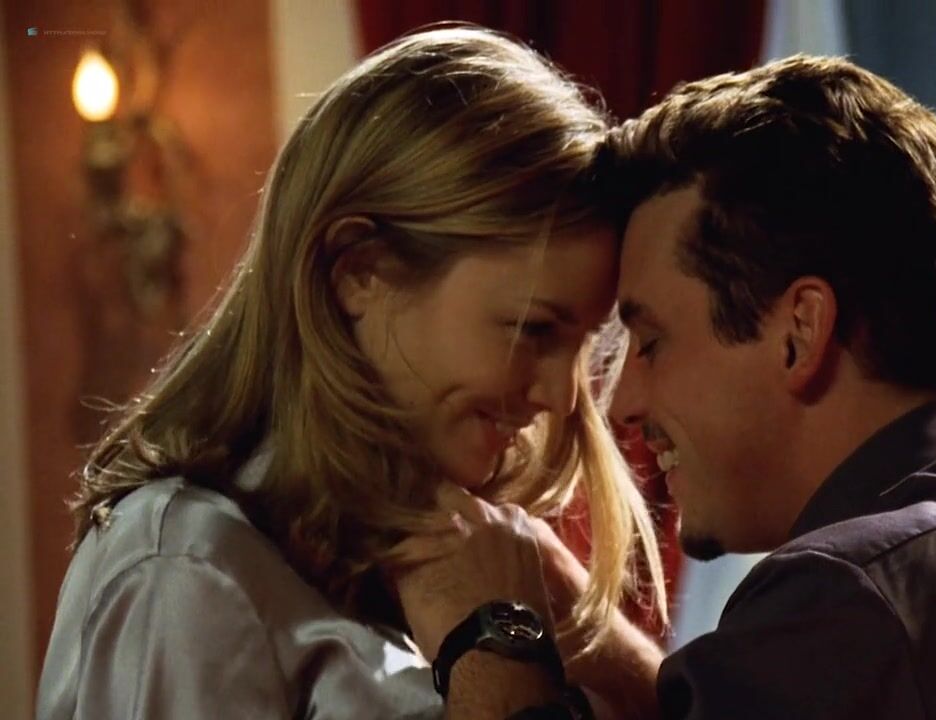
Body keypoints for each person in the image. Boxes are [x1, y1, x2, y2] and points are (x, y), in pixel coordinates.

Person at [423, 55, 936, 718]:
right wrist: (578, 614)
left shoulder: (853, 598)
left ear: (800, 331)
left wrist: (496, 627)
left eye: (650, 341)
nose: (621, 403)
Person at [36, 25, 668, 719]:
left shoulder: (455, 567)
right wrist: (499, 638)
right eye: (533, 330)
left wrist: (578, 625)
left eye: (581, 344)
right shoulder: (189, 569)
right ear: (358, 270)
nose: (561, 397)